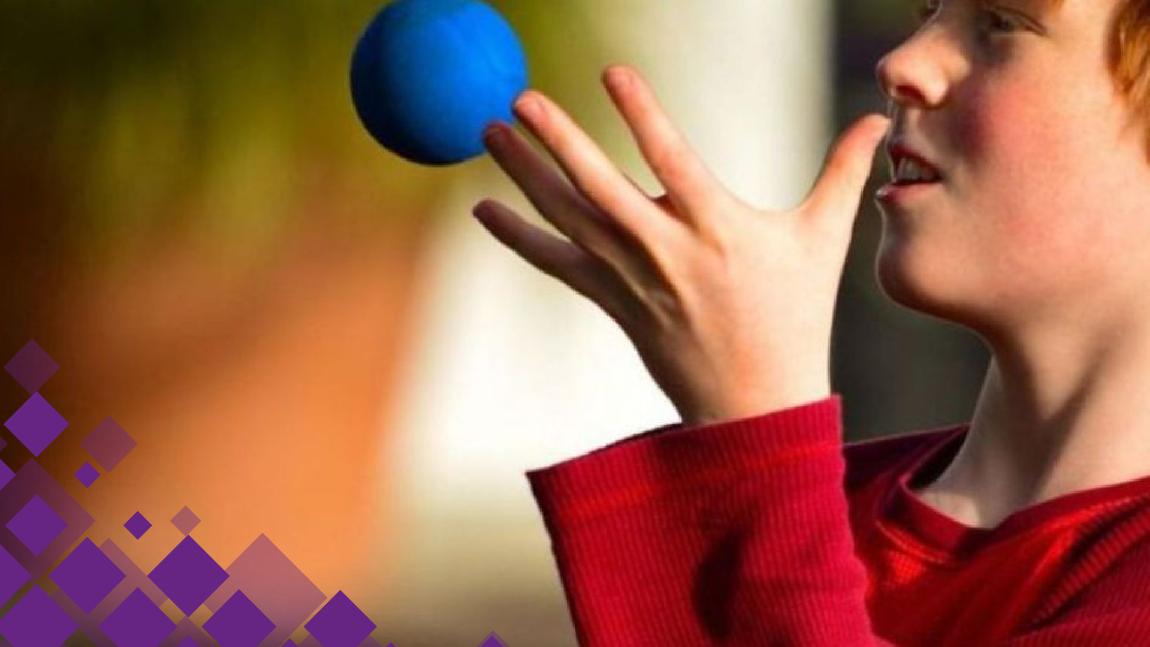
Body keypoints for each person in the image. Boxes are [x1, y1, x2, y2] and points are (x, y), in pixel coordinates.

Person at [474, 0, 1150, 643]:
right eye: (930, 10)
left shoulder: (773, 511)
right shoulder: (812, 515)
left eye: (1001, 22)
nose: (902, 61)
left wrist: (752, 429)